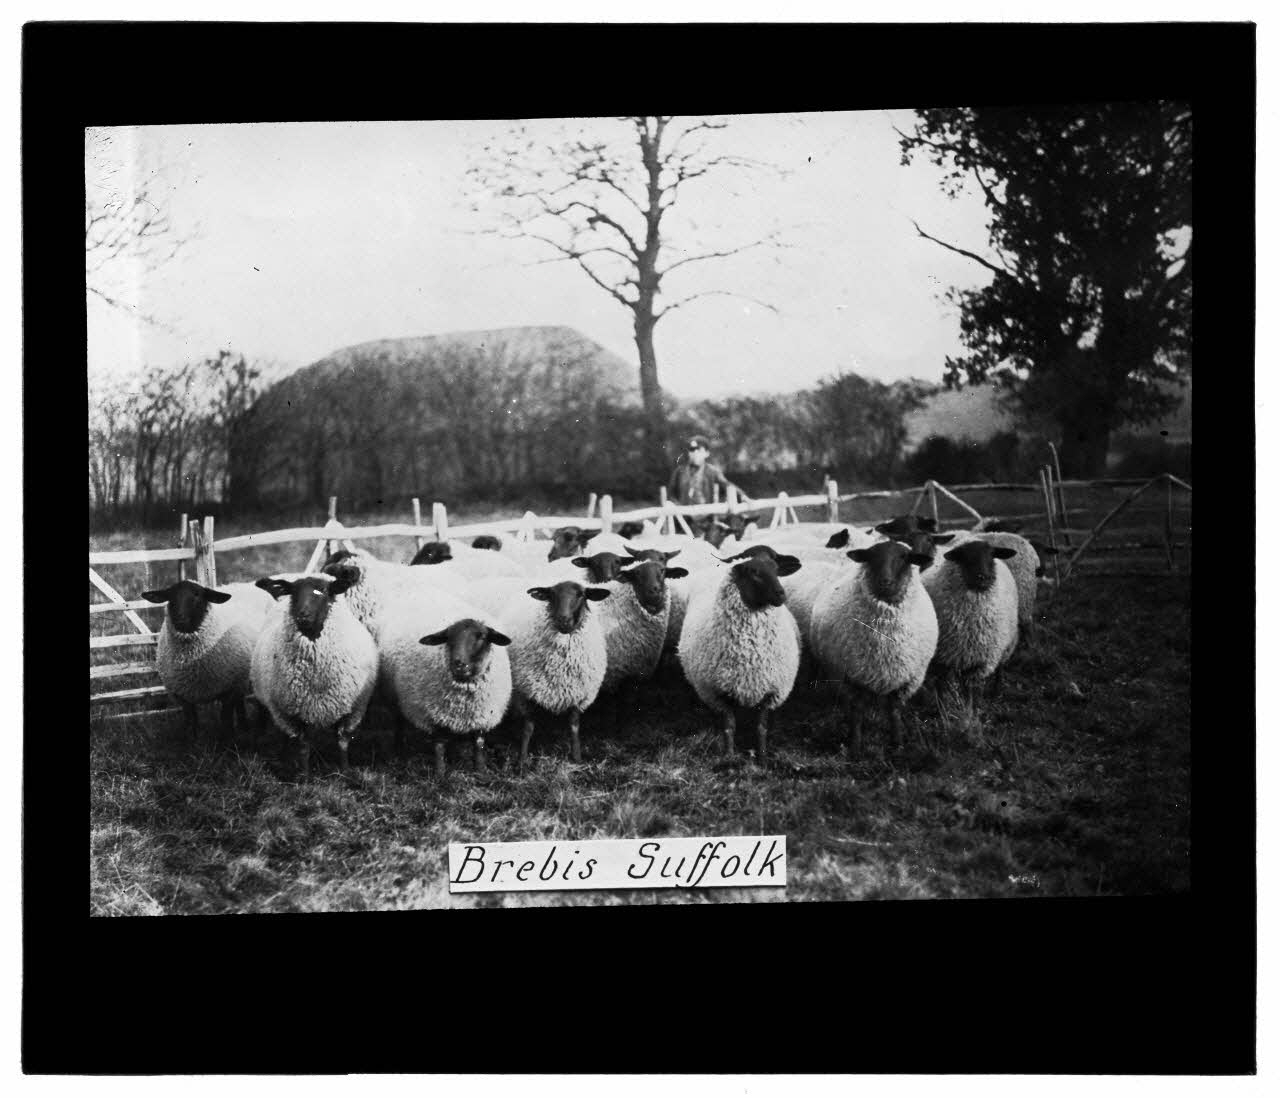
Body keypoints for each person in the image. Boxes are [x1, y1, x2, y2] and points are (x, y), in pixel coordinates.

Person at [668, 435, 751, 510]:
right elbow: (671, 495)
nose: (695, 453)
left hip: (707, 517)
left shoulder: (712, 471)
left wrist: (742, 496)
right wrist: (676, 506)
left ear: (706, 453)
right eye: (692, 450)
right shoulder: (679, 472)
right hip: (684, 518)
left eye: (699, 450)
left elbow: (726, 484)